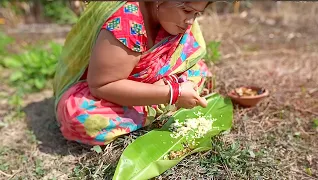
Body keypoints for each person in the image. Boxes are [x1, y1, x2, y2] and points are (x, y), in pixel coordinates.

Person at [53, 1, 213, 145]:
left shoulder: (172, 19)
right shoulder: (128, 20)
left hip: (153, 81)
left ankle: (155, 97)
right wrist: (172, 94)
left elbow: (187, 57)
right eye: (186, 10)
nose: (190, 22)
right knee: (81, 118)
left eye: (196, 14)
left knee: (197, 70)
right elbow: (101, 86)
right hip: (109, 90)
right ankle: (159, 101)